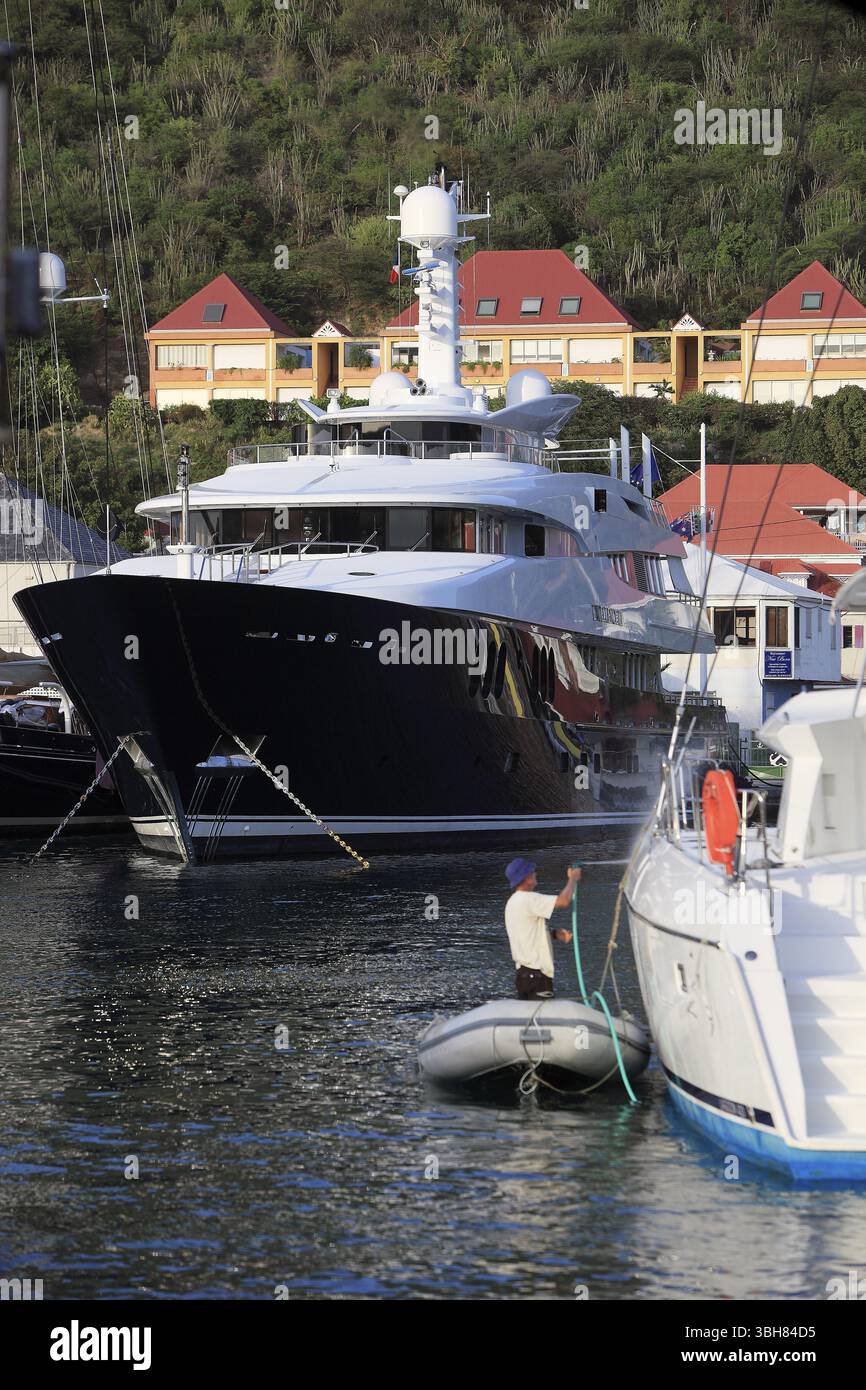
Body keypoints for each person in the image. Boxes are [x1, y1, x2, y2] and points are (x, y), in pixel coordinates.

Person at [504, 858, 581, 1000]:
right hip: (537, 977)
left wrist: (554, 935)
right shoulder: (529, 899)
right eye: (532, 872)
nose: (535, 874)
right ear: (526, 878)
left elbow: (526, 935)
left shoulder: (512, 903)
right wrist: (573, 879)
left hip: (522, 976)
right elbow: (564, 901)